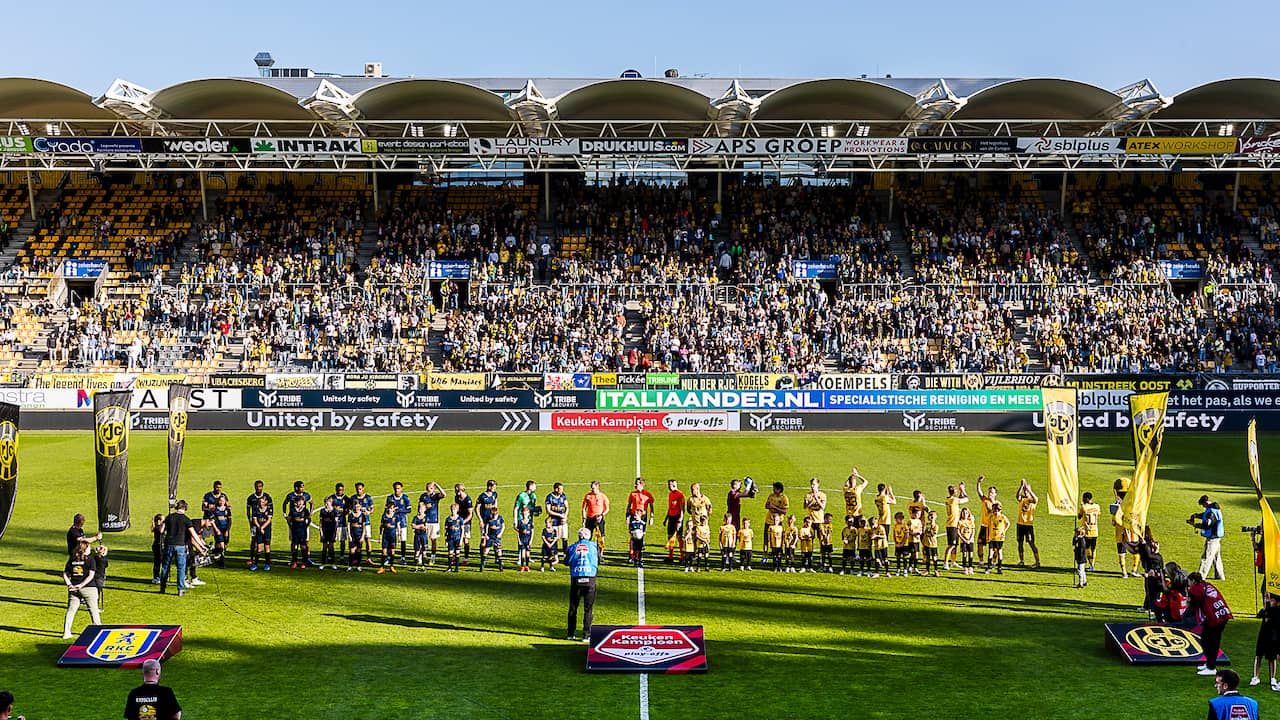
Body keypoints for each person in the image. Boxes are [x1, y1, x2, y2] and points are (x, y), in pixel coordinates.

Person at [1188, 571, 1234, 676]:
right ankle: (1209, 663)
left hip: (1215, 618)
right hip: (1221, 614)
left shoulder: (1196, 589)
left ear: (1193, 581)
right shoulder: (1206, 585)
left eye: (1189, 581)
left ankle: (1211, 667)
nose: (1188, 584)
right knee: (1210, 640)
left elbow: (1194, 603)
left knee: (1209, 641)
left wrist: (1188, 600)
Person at [159, 501, 206, 595]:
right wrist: (202, 545)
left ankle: (162, 588)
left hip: (169, 544)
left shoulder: (169, 517)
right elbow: (194, 534)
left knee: (165, 567)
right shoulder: (186, 519)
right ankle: (180, 589)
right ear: (185, 508)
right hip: (180, 545)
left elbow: (161, 530)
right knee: (181, 568)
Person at [566, 527, 599, 642]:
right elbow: (599, 560)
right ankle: (586, 635)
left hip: (576, 579)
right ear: (589, 536)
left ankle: (571, 634)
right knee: (588, 609)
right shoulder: (594, 546)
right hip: (590, 579)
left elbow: (566, 561)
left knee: (573, 608)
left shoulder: (572, 547)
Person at [63, 537, 100, 638]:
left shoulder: (72, 559)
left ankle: (66, 633)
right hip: (89, 588)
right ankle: (98, 632)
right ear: (85, 549)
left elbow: (65, 574)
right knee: (94, 611)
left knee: (71, 611)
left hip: (73, 589)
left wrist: (70, 585)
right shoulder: (90, 559)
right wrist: (81, 585)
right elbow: (91, 575)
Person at [1192, 494, 1226, 580]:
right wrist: (1196, 515)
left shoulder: (1211, 512)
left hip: (1212, 539)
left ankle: (1200, 577)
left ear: (1206, 502)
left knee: (1206, 557)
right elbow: (1205, 515)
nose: (1203, 507)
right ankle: (1220, 576)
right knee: (1216, 557)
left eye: (1203, 505)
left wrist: (1195, 525)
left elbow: (1207, 525)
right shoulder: (1213, 509)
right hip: (1217, 538)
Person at [1251, 592, 1280, 690]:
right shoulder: (1266, 609)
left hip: (1272, 636)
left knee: (1272, 657)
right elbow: (1260, 614)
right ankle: (1256, 676)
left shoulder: (1277, 611)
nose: (1269, 601)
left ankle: (1272, 677)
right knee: (1258, 655)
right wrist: (1266, 605)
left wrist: (1268, 612)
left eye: (1272, 600)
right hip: (1263, 635)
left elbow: (1274, 620)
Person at [1014, 479, 1040, 568]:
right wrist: (1021, 486)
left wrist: (1029, 490)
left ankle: (1037, 561)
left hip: (1028, 525)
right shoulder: (1022, 498)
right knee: (1020, 542)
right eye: (1025, 490)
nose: (1025, 492)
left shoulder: (1032, 500)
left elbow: (1036, 499)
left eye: (1026, 490)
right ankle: (1021, 561)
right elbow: (1017, 496)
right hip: (1020, 524)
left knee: (1031, 542)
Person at [419, 482, 446, 565]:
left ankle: (433, 557)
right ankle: (421, 556)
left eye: (430, 488)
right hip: (425, 521)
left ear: (433, 489)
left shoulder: (435, 496)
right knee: (423, 540)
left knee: (433, 540)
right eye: (427, 487)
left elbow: (444, 494)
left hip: (434, 521)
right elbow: (419, 507)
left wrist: (437, 485)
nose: (428, 489)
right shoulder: (423, 496)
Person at [943, 483, 968, 571]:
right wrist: (963, 490)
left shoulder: (948, 499)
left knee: (955, 545)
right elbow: (966, 499)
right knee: (951, 545)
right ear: (954, 492)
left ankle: (953, 561)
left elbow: (960, 499)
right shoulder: (954, 500)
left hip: (953, 524)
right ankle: (945, 562)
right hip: (952, 525)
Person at [582, 481, 610, 548]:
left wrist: (601, 515)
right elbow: (583, 508)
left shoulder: (603, 496)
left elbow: (607, 509)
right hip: (590, 519)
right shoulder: (588, 496)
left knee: (600, 537)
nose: (592, 489)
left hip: (599, 519)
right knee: (587, 536)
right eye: (591, 488)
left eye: (593, 488)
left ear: (598, 487)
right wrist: (584, 518)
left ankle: (600, 554)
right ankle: (588, 551)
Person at [389, 481, 412, 562]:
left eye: (398, 489)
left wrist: (399, 510)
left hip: (402, 522)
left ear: (401, 489)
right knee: (392, 540)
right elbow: (386, 509)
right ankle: (390, 557)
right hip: (392, 523)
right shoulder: (390, 498)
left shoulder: (405, 498)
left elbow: (409, 510)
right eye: (395, 489)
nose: (397, 490)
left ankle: (403, 557)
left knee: (403, 540)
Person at [663, 479, 685, 563]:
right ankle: (670, 557)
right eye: (668, 485)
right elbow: (670, 508)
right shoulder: (670, 494)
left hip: (677, 518)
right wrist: (666, 518)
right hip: (671, 518)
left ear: (674, 485)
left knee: (679, 538)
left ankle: (682, 557)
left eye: (670, 485)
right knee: (670, 536)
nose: (669, 486)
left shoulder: (680, 495)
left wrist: (680, 521)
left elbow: (682, 509)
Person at [1077, 491, 1101, 570]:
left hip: (1087, 530)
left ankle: (1090, 564)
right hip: (1095, 530)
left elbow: (1079, 517)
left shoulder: (1084, 507)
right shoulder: (1097, 506)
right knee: (1093, 548)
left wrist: (1081, 507)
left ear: (1086, 499)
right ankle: (1092, 565)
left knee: (1087, 548)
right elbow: (1098, 516)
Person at [476, 480, 499, 559]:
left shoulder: (495, 494)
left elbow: (495, 506)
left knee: (494, 537)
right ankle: (482, 556)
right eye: (493, 487)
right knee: (483, 538)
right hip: (484, 521)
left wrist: (496, 516)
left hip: (492, 521)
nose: (494, 489)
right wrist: (480, 520)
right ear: (489, 486)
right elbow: (476, 509)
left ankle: (497, 557)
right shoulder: (482, 496)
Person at [249, 495, 272, 572]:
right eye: (259, 502)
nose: (261, 503)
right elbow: (255, 520)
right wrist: (259, 527)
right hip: (259, 530)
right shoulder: (256, 510)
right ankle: (255, 564)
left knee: (267, 547)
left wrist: (262, 527)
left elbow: (269, 520)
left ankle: (267, 564)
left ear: (265, 502)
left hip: (267, 530)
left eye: (262, 502)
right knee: (259, 547)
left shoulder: (269, 510)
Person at [985, 502, 1010, 574]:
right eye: (994, 510)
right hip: (992, 537)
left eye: (997, 510)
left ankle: (999, 568)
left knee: (999, 552)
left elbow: (1008, 523)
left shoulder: (1002, 517)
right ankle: (989, 567)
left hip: (999, 538)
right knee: (990, 553)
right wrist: (987, 537)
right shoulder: (991, 517)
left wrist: (1004, 531)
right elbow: (988, 527)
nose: (996, 511)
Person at [546, 482, 570, 557]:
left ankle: (565, 554)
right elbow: (548, 510)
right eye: (560, 489)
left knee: (564, 537)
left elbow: (567, 507)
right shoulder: (549, 497)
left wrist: (565, 516)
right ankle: (554, 554)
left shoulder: (563, 496)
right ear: (556, 489)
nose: (562, 490)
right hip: (554, 521)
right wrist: (559, 515)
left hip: (563, 521)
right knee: (555, 538)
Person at [326, 483, 350, 557]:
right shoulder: (332, 498)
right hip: (333, 523)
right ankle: (330, 555)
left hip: (342, 522)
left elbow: (349, 509)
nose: (340, 491)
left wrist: (342, 514)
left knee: (342, 540)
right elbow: (328, 508)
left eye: (341, 490)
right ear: (336, 489)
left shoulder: (346, 498)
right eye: (338, 490)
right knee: (331, 540)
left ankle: (342, 556)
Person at [287, 497, 311, 570]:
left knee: (303, 546)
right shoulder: (292, 510)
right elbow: (289, 519)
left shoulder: (305, 510)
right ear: (295, 503)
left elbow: (309, 519)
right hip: (295, 531)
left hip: (302, 531)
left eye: (302, 502)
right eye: (299, 502)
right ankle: (294, 561)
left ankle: (304, 562)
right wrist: (291, 526)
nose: (301, 503)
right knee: (295, 546)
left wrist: (306, 526)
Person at [319, 496, 341, 570]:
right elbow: (321, 523)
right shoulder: (322, 511)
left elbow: (336, 524)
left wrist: (335, 533)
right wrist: (321, 533)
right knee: (324, 547)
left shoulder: (335, 512)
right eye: (325, 502)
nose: (326, 504)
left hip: (331, 531)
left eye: (327, 503)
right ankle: (323, 563)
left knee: (331, 548)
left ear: (331, 503)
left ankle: (332, 563)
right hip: (325, 531)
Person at [454, 483, 474, 561]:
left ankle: (466, 558)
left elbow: (470, 514)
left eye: (456, 490)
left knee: (465, 540)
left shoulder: (468, 500)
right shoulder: (457, 497)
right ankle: (456, 557)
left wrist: (463, 521)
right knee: (457, 539)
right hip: (458, 521)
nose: (455, 491)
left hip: (466, 522)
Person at [209, 496, 231, 568]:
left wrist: (227, 530)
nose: (222, 502)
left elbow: (230, 521)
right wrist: (216, 529)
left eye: (223, 501)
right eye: (220, 500)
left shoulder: (227, 510)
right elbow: (212, 521)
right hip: (218, 529)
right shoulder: (215, 510)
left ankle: (216, 556)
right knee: (221, 545)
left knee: (224, 545)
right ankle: (222, 563)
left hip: (225, 529)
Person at [377, 501, 399, 574]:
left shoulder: (396, 516)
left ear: (394, 509)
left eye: (392, 508)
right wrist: (380, 536)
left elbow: (398, 526)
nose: (390, 509)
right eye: (389, 508)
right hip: (385, 536)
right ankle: (382, 567)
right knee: (384, 552)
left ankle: (391, 566)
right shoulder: (384, 516)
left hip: (393, 536)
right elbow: (381, 527)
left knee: (392, 551)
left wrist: (399, 536)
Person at [346, 499, 365, 572]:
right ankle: (350, 566)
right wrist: (349, 536)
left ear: (360, 507)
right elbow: (348, 525)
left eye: (358, 506)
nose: (357, 508)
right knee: (352, 551)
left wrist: (363, 536)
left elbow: (364, 527)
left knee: (359, 550)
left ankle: (358, 566)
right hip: (353, 535)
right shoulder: (351, 515)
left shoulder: (362, 515)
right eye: (355, 506)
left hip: (359, 535)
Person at [444, 503, 464, 573]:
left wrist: (461, 539)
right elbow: (446, 530)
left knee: (457, 552)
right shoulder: (448, 519)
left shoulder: (460, 519)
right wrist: (446, 540)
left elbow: (462, 530)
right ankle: (449, 567)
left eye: (454, 509)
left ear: (457, 510)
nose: (453, 511)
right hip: (450, 538)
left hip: (457, 538)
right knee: (450, 552)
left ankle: (457, 568)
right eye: (452, 509)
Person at [411, 502, 430, 572]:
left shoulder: (426, 517)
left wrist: (418, 526)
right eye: (419, 508)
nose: (420, 509)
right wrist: (420, 526)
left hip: (424, 536)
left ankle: (423, 566)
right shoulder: (415, 517)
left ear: (424, 509)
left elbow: (426, 527)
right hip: (417, 536)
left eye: (422, 508)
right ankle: (416, 567)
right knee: (417, 551)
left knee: (424, 551)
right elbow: (413, 526)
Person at [957, 507, 977, 575]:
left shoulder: (971, 522)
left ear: (968, 514)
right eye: (963, 513)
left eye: (966, 513)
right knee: (964, 554)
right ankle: (965, 568)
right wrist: (964, 539)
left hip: (970, 540)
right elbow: (958, 532)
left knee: (971, 554)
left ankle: (970, 568)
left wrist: (970, 539)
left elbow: (973, 531)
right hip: (963, 541)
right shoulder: (960, 522)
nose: (965, 514)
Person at [516, 507, 534, 572]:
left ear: (528, 514)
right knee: (523, 553)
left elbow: (532, 532)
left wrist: (531, 540)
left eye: (526, 513)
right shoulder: (520, 522)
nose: (525, 515)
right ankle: (522, 566)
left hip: (528, 540)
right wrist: (519, 540)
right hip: (522, 540)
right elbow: (518, 532)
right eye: (523, 513)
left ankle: (527, 566)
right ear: (521, 514)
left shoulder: (530, 522)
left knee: (528, 553)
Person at [150, 513, 165, 584]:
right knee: (157, 562)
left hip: (160, 546)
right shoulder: (158, 527)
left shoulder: (159, 526)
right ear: (159, 521)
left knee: (160, 562)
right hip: (158, 546)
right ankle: (156, 577)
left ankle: (159, 576)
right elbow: (161, 531)